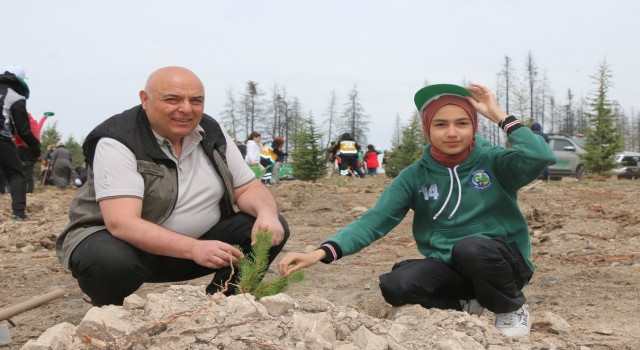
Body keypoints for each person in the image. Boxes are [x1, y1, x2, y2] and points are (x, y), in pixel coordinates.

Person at [279, 83, 556, 338]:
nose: (451, 132)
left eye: (461, 123)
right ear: (428, 129)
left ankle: (509, 308)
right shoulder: (415, 177)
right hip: (452, 268)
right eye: (440, 124)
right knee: (396, 285)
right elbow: (375, 220)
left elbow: (541, 156)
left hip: (503, 266)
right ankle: (466, 301)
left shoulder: (495, 162)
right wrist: (321, 252)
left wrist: (499, 115)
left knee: (471, 248)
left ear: (473, 126)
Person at [55, 66, 289, 306]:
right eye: (173, 99)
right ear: (145, 100)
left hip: (199, 250)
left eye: (196, 101)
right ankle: (110, 313)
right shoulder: (118, 140)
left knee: (270, 226)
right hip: (133, 252)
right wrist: (192, 248)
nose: (186, 108)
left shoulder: (211, 133)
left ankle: (223, 304)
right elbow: (122, 223)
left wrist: (267, 213)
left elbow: (248, 188)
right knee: (108, 259)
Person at [0, 65, 41, 220]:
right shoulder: (16, 98)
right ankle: (18, 213)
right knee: (16, 174)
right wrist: (36, 148)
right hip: (2, 139)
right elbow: (23, 130)